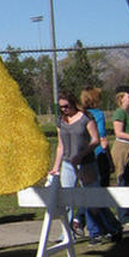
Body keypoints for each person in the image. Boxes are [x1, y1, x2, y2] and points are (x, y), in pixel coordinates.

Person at [49, 90, 102, 241]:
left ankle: (96, 232)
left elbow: (95, 140)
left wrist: (81, 155)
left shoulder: (86, 118)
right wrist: (56, 167)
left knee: (90, 197)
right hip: (67, 164)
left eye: (66, 106)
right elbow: (60, 146)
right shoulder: (61, 121)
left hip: (86, 163)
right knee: (66, 199)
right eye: (61, 107)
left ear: (72, 103)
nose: (64, 109)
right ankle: (67, 232)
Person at [80, 85, 122, 239]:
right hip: (98, 156)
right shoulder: (97, 115)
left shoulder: (79, 115)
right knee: (101, 195)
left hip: (84, 158)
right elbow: (103, 139)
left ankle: (94, 230)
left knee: (89, 194)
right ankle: (110, 227)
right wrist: (109, 160)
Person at [111, 86, 129, 235]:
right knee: (122, 179)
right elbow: (119, 132)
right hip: (122, 148)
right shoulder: (119, 113)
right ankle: (123, 214)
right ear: (121, 98)